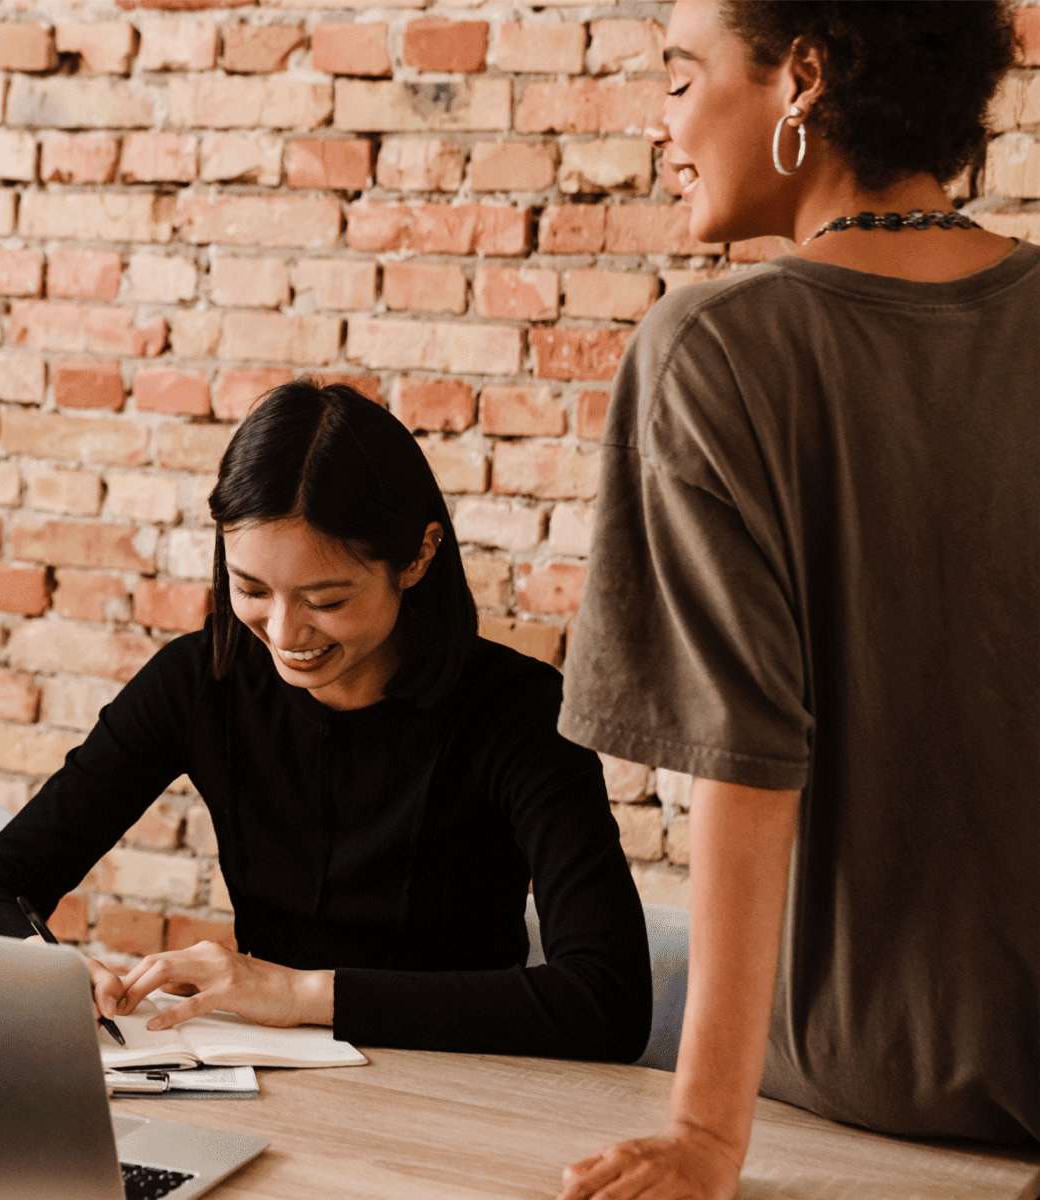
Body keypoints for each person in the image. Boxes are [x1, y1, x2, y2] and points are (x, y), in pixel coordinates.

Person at [554, 1, 1038, 1196]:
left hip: (877, 1095)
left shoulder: (714, 347)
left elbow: (741, 757)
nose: (662, 128)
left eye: (678, 79)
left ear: (802, 78)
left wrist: (705, 1137)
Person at [0, 380, 652, 1062]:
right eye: (250, 589)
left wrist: (301, 995)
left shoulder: (519, 711)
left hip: (467, 1086)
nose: (283, 631)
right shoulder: (200, 681)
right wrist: (49, 974)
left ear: (418, 557)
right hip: (273, 1082)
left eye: (325, 599)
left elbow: (609, 1002)